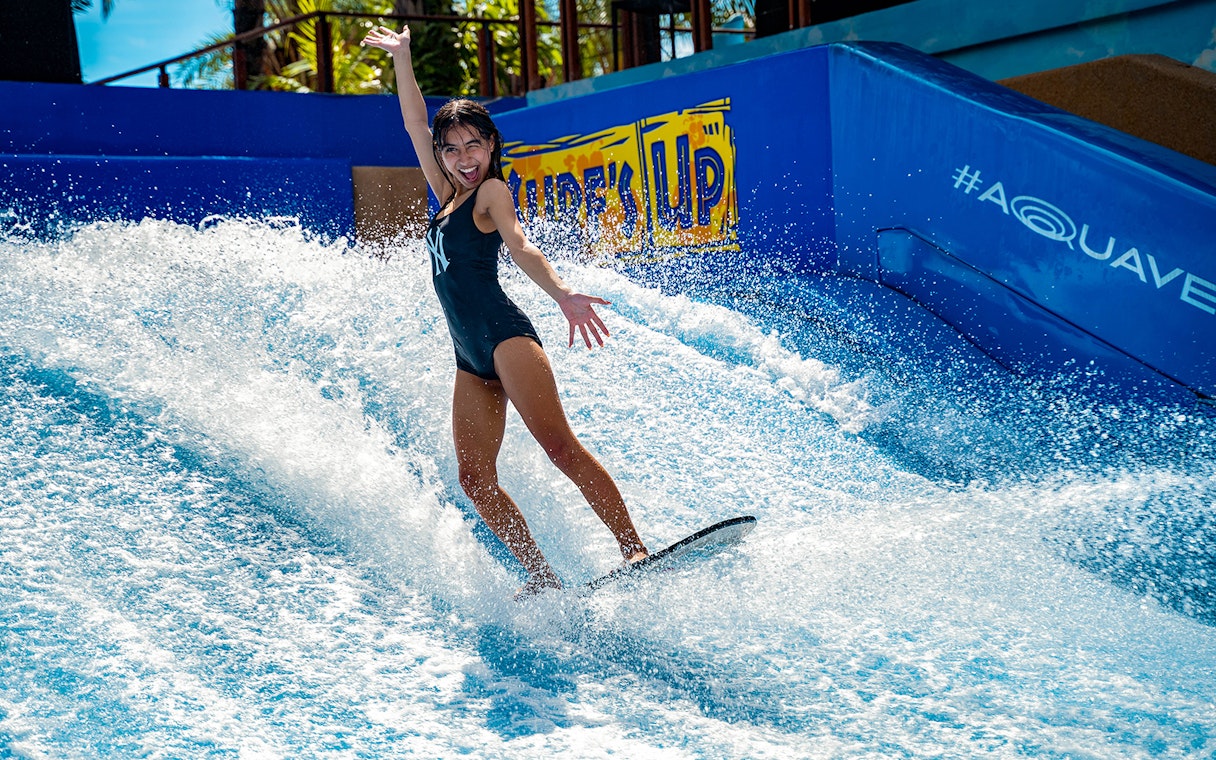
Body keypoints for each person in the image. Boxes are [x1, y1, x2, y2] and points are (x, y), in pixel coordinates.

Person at [362, 25, 649, 598]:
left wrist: (562, 294)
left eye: (473, 145)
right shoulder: (445, 195)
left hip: (505, 337)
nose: (463, 158)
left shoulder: (490, 192)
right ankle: (541, 578)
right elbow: (415, 123)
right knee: (475, 480)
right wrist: (403, 58)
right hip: (468, 356)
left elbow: (521, 245)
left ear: (491, 146)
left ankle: (632, 547)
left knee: (559, 447)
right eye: (452, 149)